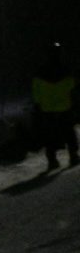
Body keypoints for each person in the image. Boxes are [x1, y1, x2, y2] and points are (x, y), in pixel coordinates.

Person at [32, 42, 79, 170]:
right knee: (69, 132)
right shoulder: (66, 70)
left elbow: (36, 92)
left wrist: (38, 105)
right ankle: (73, 155)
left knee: (50, 134)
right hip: (64, 106)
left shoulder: (39, 72)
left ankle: (52, 161)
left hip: (47, 108)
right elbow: (71, 88)